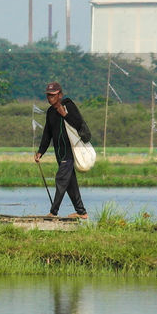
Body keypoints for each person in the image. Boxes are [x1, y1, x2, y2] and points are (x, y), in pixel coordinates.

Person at [35, 81, 91, 218]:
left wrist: (65, 114)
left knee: (61, 179)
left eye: (53, 95)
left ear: (60, 94)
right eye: (48, 95)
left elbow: (79, 123)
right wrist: (40, 152)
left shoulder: (68, 105)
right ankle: (81, 212)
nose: (50, 98)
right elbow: (47, 134)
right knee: (70, 182)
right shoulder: (50, 112)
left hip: (70, 151)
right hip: (59, 153)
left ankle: (53, 212)